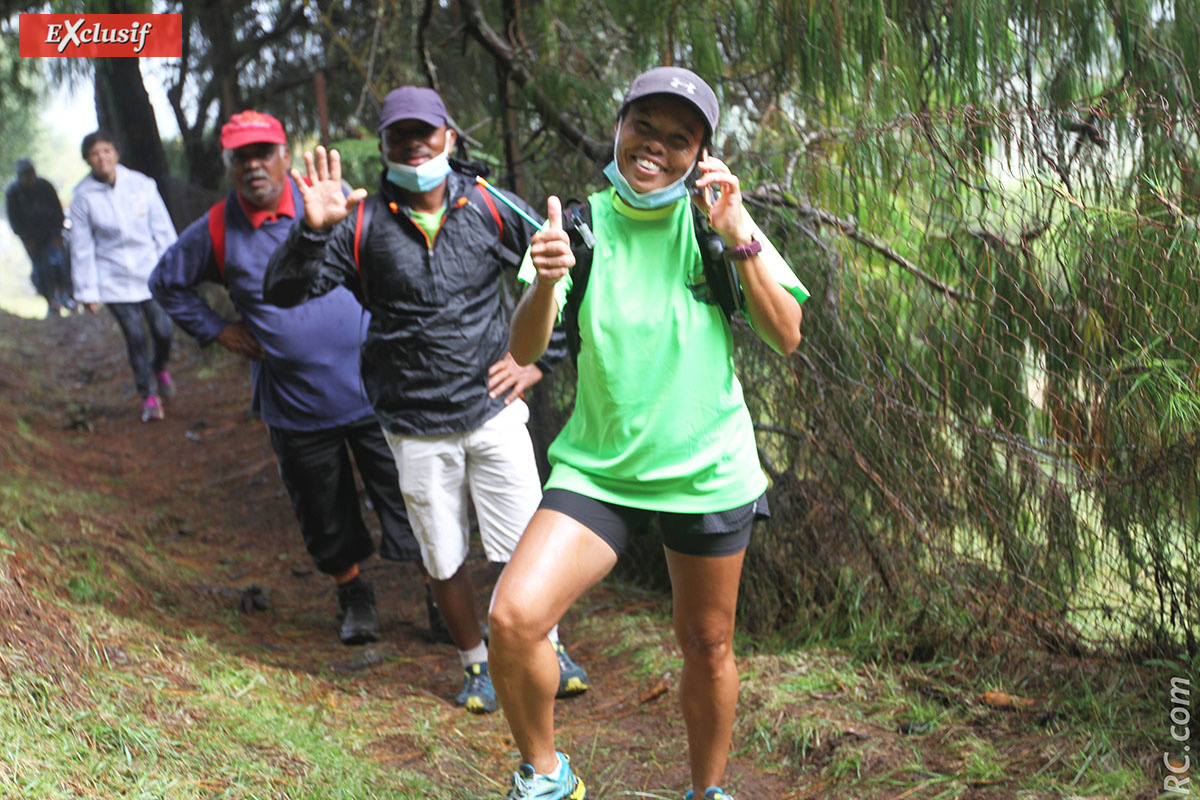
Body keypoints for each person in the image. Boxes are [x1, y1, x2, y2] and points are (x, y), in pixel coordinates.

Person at [490, 67, 809, 800]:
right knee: (513, 619)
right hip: (599, 469)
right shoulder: (576, 228)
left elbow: (787, 333)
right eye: (644, 128)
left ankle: (707, 790)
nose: (655, 147)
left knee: (707, 643)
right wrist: (547, 281)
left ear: (700, 154)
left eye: (678, 138)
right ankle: (547, 776)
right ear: (619, 127)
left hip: (707, 469)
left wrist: (739, 234)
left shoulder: (716, 222)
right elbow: (526, 349)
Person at [262, 86, 586, 713]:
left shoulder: (488, 205)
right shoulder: (359, 221)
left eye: (425, 132)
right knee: (441, 555)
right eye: (399, 135)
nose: (414, 144)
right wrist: (310, 231)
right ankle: (476, 664)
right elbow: (282, 291)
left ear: (449, 138)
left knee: (527, 544)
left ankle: (548, 644)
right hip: (413, 424)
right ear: (383, 145)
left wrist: (540, 361)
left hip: (492, 410)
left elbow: (557, 267)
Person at [149, 110, 433, 646]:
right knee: (322, 509)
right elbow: (166, 282)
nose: (253, 165)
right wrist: (218, 330)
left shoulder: (328, 199)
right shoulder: (217, 228)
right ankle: (354, 597)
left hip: (376, 389)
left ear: (285, 157)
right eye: (241, 157)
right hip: (296, 402)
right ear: (228, 166)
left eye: (264, 153)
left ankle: (440, 598)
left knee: (411, 495)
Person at [69, 131, 177, 422]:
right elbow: (81, 247)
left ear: (116, 153)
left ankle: (159, 367)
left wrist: (173, 269)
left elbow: (163, 230)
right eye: (94, 154)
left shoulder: (142, 185)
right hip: (113, 280)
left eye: (106, 151)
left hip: (150, 273)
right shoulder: (83, 197)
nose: (101, 158)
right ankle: (148, 396)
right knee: (135, 336)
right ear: (87, 160)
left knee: (163, 331)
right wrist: (87, 291)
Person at [5, 158, 73, 316]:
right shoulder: (13, 193)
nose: (30, 178)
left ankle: (65, 295)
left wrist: (57, 234)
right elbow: (14, 220)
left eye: (31, 174)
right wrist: (26, 239)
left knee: (59, 264)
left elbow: (57, 210)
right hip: (31, 239)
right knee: (40, 270)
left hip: (51, 234)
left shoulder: (45, 186)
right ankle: (51, 301)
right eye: (26, 175)